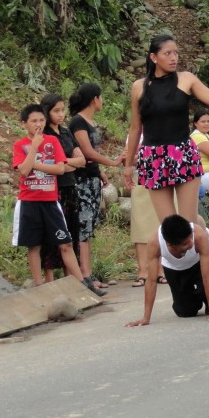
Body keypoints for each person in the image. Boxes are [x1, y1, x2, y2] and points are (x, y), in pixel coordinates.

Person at [122, 35, 209, 226]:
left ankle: (203, 248)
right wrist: (129, 166)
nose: (173, 58)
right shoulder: (139, 87)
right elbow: (136, 128)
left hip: (183, 154)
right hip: (153, 157)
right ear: (154, 57)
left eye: (176, 53)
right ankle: (200, 244)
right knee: (170, 227)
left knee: (189, 224)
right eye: (167, 53)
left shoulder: (186, 79)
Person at [11, 104, 103, 296]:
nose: (38, 124)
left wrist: (35, 163)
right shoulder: (20, 145)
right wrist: (34, 148)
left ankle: (82, 284)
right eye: (34, 121)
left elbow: (60, 169)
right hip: (29, 201)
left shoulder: (52, 141)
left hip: (51, 200)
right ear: (24, 124)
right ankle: (39, 287)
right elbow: (23, 170)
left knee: (66, 242)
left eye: (41, 120)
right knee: (34, 245)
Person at [124, 214, 209, 325]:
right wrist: (145, 318)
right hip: (174, 269)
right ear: (171, 245)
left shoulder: (199, 235)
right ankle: (195, 295)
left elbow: (207, 276)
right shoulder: (155, 243)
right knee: (185, 312)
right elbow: (151, 282)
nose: (190, 243)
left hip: (197, 265)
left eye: (189, 238)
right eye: (185, 243)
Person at [69, 83, 122, 290]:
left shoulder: (89, 122)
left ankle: (88, 273)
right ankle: (84, 276)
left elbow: (92, 155)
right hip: (80, 180)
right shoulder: (78, 122)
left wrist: (99, 171)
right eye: (101, 97)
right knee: (83, 226)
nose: (102, 101)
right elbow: (88, 152)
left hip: (91, 178)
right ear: (94, 99)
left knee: (89, 228)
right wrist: (113, 162)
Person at [39, 93, 85, 282]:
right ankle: (49, 279)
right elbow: (57, 167)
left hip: (70, 188)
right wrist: (66, 164)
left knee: (72, 232)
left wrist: (66, 163)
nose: (61, 114)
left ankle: (71, 277)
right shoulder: (44, 136)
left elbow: (81, 160)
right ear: (47, 112)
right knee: (52, 235)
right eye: (56, 111)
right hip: (53, 190)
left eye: (62, 110)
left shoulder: (65, 132)